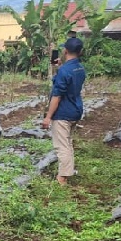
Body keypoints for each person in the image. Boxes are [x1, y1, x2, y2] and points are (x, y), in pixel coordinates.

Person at [41, 37, 86, 186]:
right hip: (76, 109)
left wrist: (48, 117)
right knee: (68, 142)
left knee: (62, 146)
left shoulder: (65, 70)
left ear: (65, 50)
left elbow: (57, 96)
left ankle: (63, 177)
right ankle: (68, 170)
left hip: (63, 112)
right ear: (80, 52)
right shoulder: (79, 68)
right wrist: (60, 68)